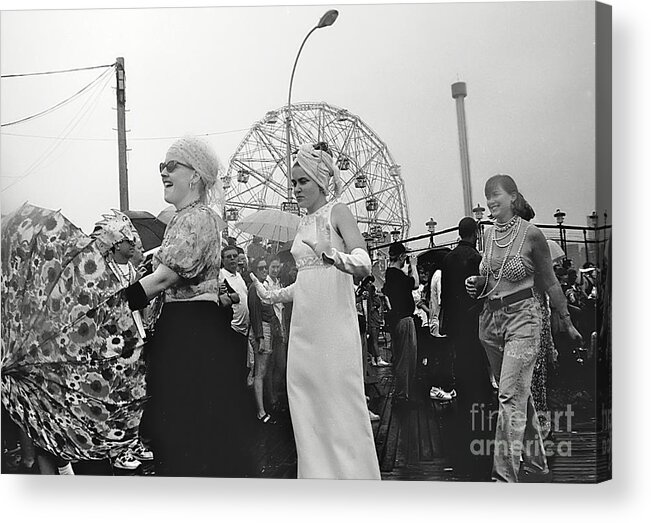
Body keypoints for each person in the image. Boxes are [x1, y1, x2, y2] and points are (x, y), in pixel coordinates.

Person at [250, 142, 380, 479]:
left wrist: (334, 256)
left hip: (333, 329)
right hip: (303, 332)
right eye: (293, 183)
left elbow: (364, 263)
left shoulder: (339, 212)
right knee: (306, 407)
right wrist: (275, 295)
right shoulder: (303, 223)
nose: (296, 189)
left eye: (302, 181)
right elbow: (308, 278)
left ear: (321, 180)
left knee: (339, 404)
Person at [123, 136, 250, 477]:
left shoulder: (195, 217)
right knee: (191, 427)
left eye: (172, 166)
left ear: (194, 176)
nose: (164, 173)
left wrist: (119, 301)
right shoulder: (188, 217)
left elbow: (163, 279)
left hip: (191, 331)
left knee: (188, 427)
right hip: (189, 327)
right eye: (162, 166)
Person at [465, 174, 582, 483]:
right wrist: (477, 283)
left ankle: (503, 478)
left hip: (524, 320)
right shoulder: (488, 236)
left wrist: (566, 320)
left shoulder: (532, 235)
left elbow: (550, 281)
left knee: (508, 396)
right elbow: (492, 280)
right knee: (518, 393)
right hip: (490, 322)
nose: (490, 201)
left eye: (496, 195)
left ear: (513, 198)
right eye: (487, 196)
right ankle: (537, 463)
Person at [92, 210, 153, 471]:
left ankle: (132, 440)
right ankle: (116, 449)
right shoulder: (100, 271)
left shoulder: (129, 269)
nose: (135, 245)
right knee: (117, 395)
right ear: (117, 243)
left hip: (136, 338)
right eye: (130, 240)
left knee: (137, 394)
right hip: (114, 345)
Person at [382, 242, 419, 406]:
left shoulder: (390, 276)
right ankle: (402, 397)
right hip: (405, 321)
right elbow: (416, 284)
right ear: (402, 256)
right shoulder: (398, 275)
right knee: (407, 359)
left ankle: (401, 394)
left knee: (400, 358)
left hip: (396, 321)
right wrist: (414, 266)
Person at [247, 256, 281, 424]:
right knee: (260, 372)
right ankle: (260, 411)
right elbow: (255, 314)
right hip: (261, 330)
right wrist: (260, 337)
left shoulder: (263, 288)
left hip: (267, 329)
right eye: (260, 268)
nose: (263, 270)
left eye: (264, 268)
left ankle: (263, 407)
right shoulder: (254, 288)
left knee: (263, 370)